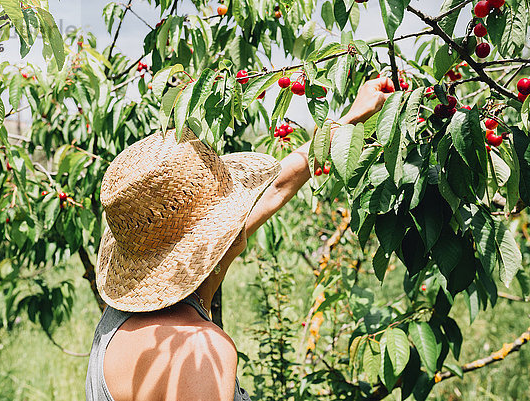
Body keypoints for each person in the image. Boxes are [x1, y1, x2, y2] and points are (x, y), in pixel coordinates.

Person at [85, 77, 395, 401]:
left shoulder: (114, 324)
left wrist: (348, 119)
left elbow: (276, 187)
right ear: (221, 239)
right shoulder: (199, 350)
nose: (245, 212)